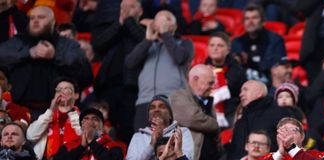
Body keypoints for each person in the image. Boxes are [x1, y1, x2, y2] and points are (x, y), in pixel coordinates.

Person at [0, 6, 92, 118]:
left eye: (41, 17)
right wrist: (29, 53)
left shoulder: (66, 44)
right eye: (32, 18)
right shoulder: (19, 41)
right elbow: (2, 55)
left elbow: (79, 62)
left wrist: (54, 55)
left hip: (58, 110)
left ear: (53, 22)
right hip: (21, 109)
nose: (35, 20)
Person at [125, 10, 193, 130]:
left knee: (170, 143)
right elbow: (130, 62)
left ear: (175, 26)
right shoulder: (148, 45)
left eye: (166, 19)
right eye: (158, 20)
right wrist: (148, 40)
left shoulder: (184, 43)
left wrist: (166, 34)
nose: (161, 23)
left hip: (172, 102)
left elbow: (180, 58)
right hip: (145, 102)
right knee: (143, 143)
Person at [91, 0, 146, 143]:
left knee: (127, 128)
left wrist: (128, 21)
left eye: (132, 7)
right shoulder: (114, 28)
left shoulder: (146, 29)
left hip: (132, 87)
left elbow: (144, 40)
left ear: (140, 12)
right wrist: (119, 24)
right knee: (106, 126)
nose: (127, 10)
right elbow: (98, 45)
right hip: (108, 86)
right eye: (123, 7)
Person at [123, 95, 195, 160]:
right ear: (149, 117)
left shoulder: (182, 132)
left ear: (170, 115)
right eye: (152, 107)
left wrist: (161, 140)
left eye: (162, 106)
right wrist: (151, 145)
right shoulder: (138, 137)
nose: (156, 109)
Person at [170, 64, 221, 160]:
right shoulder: (179, 96)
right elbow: (193, 118)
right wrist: (215, 125)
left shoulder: (208, 102)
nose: (212, 87)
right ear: (195, 79)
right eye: (210, 83)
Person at [228, 80, 295, 160]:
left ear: (259, 93)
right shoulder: (240, 121)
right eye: (241, 91)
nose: (241, 94)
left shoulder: (279, 113)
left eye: (245, 90)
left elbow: (291, 141)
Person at [25, 77, 80, 160]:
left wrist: (71, 110)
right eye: (59, 89)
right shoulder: (47, 116)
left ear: (76, 95)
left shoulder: (83, 118)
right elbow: (30, 136)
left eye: (67, 89)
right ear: (54, 95)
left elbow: (83, 138)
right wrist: (50, 110)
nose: (62, 92)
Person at [231, 2, 286, 83]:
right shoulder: (237, 42)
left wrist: (250, 61)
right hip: (242, 87)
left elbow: (279, 68)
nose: (250, 21)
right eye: (247, 18)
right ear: (243, 22)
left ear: (263, 21)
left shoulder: (275, 40)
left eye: (255, 18)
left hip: (269, 86)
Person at [205, 31, 247, 128]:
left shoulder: (237, 70)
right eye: (212, 45)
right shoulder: (202, 68)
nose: (215, 48)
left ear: (228, 50)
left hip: (230, 112)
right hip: (206, 111)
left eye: (220, 45)